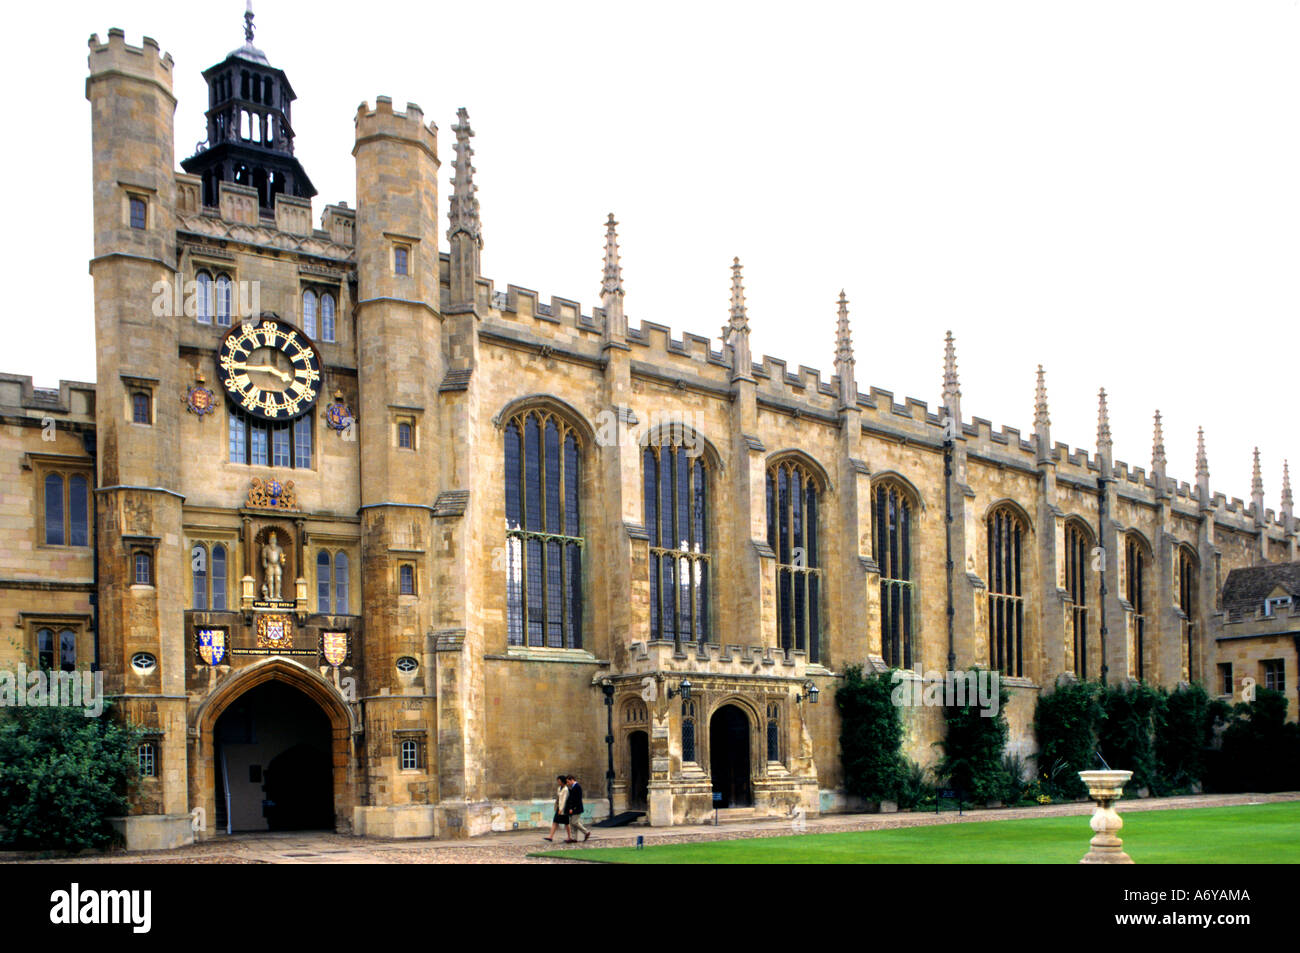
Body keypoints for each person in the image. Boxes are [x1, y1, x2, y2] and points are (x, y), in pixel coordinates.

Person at [566, 774, 592, 842]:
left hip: (577, 808)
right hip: (574, 807)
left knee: (574, 822)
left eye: (568, 782)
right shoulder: (573, 787)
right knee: (572, 823)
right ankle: (574, 838)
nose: (568, 783)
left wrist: (572, 808)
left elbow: (577, 799)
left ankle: (586, 832)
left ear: (572, 780)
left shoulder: (577, 787)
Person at [544, 775, 569, 842]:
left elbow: (564, 800)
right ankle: (550, 837)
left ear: (562, 781)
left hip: (563, 809)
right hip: (558, 807)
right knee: (555, 822)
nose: (558, 782)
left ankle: (569, 837)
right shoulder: (559, 788)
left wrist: (561, 809)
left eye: (559, 781)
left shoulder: (566, 789)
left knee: (566, 823)